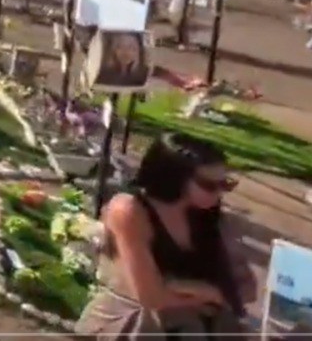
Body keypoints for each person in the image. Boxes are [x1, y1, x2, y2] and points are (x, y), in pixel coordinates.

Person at [76, 134, 252, 339]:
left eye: (226, 184)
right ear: (175, 178)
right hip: (133, 323)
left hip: (195, 323)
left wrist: (186, 288)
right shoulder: (130, 210)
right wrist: (209, 293)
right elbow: (150, 297)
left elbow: (248, 289)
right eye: (209, 185)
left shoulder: (209, 216)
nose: (220, 193)